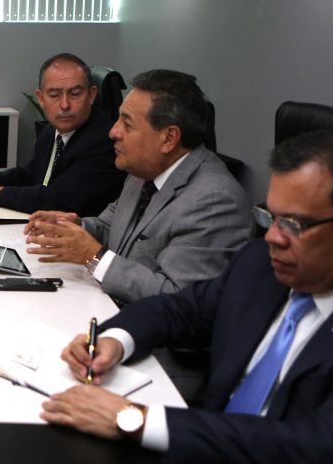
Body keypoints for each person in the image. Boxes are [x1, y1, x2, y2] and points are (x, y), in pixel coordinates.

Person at [40, 130, 333, 464]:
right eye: (270, 217)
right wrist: (114, 341)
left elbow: (316, 451)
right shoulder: (260, 265)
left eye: (296, 224)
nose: (273, 238)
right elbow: (183, 309)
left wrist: (134, 419)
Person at [24, 69, 251, 305]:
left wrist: (94, 257)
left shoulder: (215, 201)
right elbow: (109, 227)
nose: (113, 132)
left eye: (127, 124)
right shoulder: (142, 170)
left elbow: (178, 298)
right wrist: (72, 227)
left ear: (168, 138)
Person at [0, 53, 125, 217]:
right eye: (54, 95)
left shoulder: (105, 141)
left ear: (91, 95)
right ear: (41, 98)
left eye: (75, 93)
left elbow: (58, 200)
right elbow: (31, 174)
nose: (64, 105)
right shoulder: (51, 131)